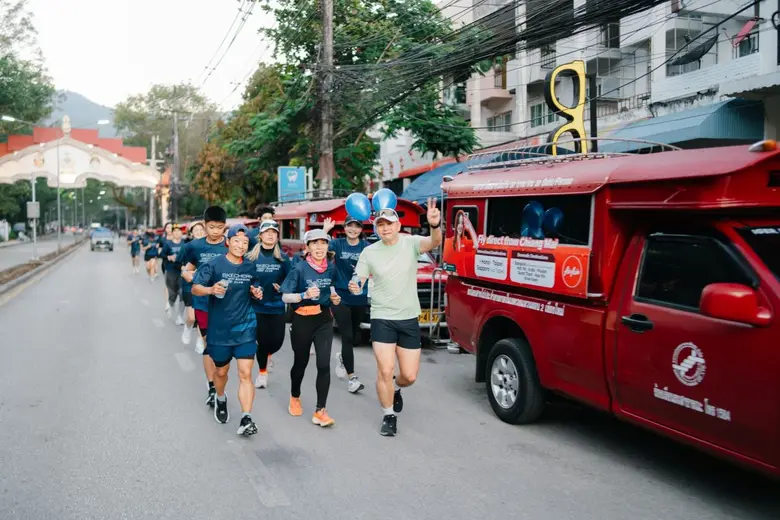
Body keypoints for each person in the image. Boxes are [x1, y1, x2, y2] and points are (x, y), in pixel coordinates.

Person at [350, 199, 442, 437]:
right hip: (382, 317)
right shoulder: (369, 252)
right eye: (380, 225)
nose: (385, 228)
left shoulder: (411, 244)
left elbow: (435, 242)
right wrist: (355, 285)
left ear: (398, 225)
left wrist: (434, 225)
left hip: (408, 317)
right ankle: (389, 415)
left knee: (408, 376)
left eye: (389, 224)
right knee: (384, 369)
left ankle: (396, 388)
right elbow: (359, 278)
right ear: (376, 228)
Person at [192, 224, 263, 435]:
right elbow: (196, 287)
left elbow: (254, 286)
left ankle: (246, 418)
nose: (241, 246)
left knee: (245, 373)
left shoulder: (250, 266)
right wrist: (210, 289)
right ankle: (220, 397)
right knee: (221, 372)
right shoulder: (214, 265)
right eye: (237, 241)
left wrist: (256, 292)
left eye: (245, 243)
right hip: (220, 330)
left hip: (245, 327)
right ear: (228, 242)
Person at [280, 229, 341, 427]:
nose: (319, 248)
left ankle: (320, 410)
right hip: (302, 319)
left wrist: (335, 298)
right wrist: (304, 295)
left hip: (323, 319)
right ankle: (295, 396)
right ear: (307, 247)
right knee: (301, 362)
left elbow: (331, 289)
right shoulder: (299, 269)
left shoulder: (331, 268)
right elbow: (285, 296)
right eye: (315, 244)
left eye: (323, 243)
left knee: (323, 365)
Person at [180, 208, 229, 408]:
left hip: (227, 305)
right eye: (211, 227)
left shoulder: (230, 244)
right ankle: (212, 387)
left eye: (219, 227)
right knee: (210, 345)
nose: (216, 231)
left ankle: (219, 382)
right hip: (203, 303)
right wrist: (187, 274)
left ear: (225, 226)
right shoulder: (195, 246)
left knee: (223, 349)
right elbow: (187, 268)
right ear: (204, 225)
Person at [322, 216, 368, 393]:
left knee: (355, 337)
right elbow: (319, 248)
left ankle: (342, 356)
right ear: (345, 227)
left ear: (361, 229)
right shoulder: (337, 244)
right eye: (350, 226)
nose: (353, 229)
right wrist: (325, 230)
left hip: (359, 296)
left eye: (357, 226)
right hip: (340, 295)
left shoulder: (366, 247)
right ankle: (352, 378)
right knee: (347, 335)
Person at [246, 220, 290, 389]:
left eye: (274, 232)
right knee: (262, 341)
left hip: (277, 305)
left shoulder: (283, 258)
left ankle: (269, 354)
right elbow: (246, 278)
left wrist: (284, 287)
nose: (271, 235)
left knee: (277, 342)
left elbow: (291, 279)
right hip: (258, 306)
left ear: (277, 236)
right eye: (267, 232)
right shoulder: (251, 257)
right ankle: (262, 373)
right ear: (261, 236)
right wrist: (253, 288)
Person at [179, 222, 206, 345]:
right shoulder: (187, 247)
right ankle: (188, 327)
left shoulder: (209, 246)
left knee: (202, 317)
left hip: (204, 287)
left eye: (202, 229)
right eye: (196, 230)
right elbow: (181, 265)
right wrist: (188, 273)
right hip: (189, 285)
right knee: (192, 317)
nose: (199, 232)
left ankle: (201, 340)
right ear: (191, 233)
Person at [161, 224, 185, 322]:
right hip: (171, 270)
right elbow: (161, 254)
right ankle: (169, 305)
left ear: (181, 233)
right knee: (172, 293)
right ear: (172, 233)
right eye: (174, 231)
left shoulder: (185, 244)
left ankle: (180, 316)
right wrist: (168, 257)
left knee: (182, 292)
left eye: (178, 231)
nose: (177, 233)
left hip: (182, 271)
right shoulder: (168, 244)